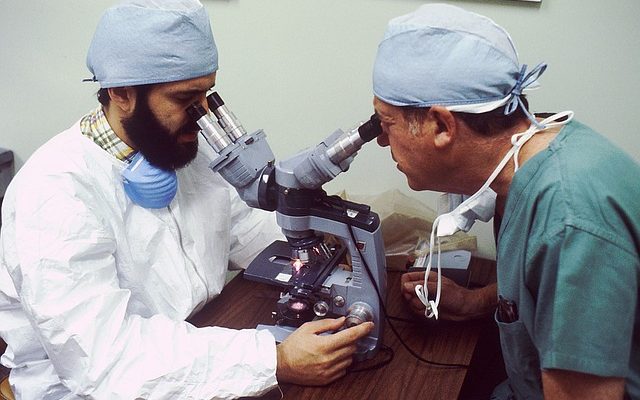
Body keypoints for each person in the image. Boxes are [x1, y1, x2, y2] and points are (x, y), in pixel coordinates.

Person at [0, 1, 372, 399]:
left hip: (197, 342)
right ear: (122, 93)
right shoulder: (54, 193)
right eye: (184, 99)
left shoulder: (180, 150)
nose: (201, 116)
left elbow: (246, 229)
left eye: (207, 95)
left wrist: (325, 252)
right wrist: (274, 360)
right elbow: (106, 361)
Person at [372, 4, 639, 399]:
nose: (381, 140)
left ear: (442, 126)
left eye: (386, 123)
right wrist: (472, 302)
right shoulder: (532, 154)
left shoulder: (569, 219)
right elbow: (548, 294)